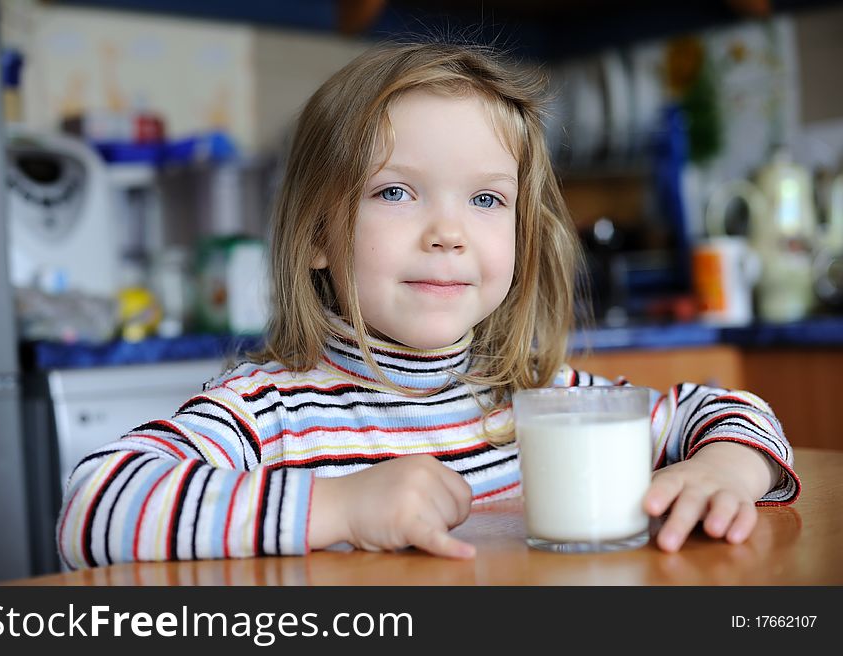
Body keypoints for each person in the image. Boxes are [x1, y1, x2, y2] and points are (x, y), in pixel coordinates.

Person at [57, 41, 799, 569]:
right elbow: (93, 507)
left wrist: (729, 469)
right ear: (317, 234)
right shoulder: (268, 416)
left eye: (485, 199)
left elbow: (728, 411)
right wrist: (338, 508)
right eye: (395, 192)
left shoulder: (544, 404)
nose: (448, 233)